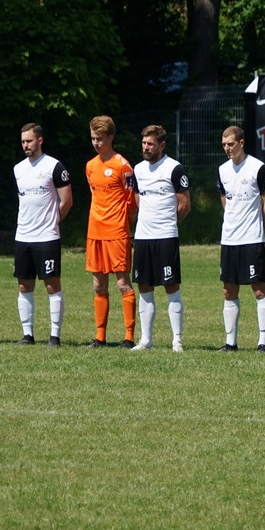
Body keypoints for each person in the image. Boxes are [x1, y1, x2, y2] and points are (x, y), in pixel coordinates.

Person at [131, 125, 191, 352]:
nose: (146, 147)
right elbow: (137, 198)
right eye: (144, 143)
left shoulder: (174, 168)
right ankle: (146, 340)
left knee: (170, 285)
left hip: (166, 237)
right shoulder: (138, 169)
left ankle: (177, 340)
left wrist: (167, 224)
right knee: (144, 286)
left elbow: (184, 205)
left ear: (162, 145)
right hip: (143, 237)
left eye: (150, 144)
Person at [13, 123, 72, 348]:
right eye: (23, 141)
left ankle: (54, 336)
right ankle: (27, 335)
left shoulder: (54, 166)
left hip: (47, 237)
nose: (25, 145)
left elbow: (67, 201)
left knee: (52, 285)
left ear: (40, 140)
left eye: (29, 140)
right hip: (23, 236)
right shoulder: (18, 169)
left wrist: (52, 222)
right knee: (24, 285)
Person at [216, 125, 265, 352]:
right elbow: (225, 200)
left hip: (251, 239)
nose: (227, 148)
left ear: (241, 143)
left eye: (230, 144)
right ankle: (230, 343)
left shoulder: (257, 168)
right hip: (229, 239)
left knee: (258, 289)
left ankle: (263, 342)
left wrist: (257, 228)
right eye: (224, 145)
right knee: (228, 290)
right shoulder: (222, 170)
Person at [85, 115, 137, 348]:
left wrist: (124, 223)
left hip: (116, 232)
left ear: (110, 137)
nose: (96, 143)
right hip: (95, 232)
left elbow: (132, 201)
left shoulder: (122, 166)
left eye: (100, 138)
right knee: (98, 286)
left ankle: (129, 337)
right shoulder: (90, 166)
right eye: (93, 138)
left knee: (123, 284)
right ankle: (100, 337)